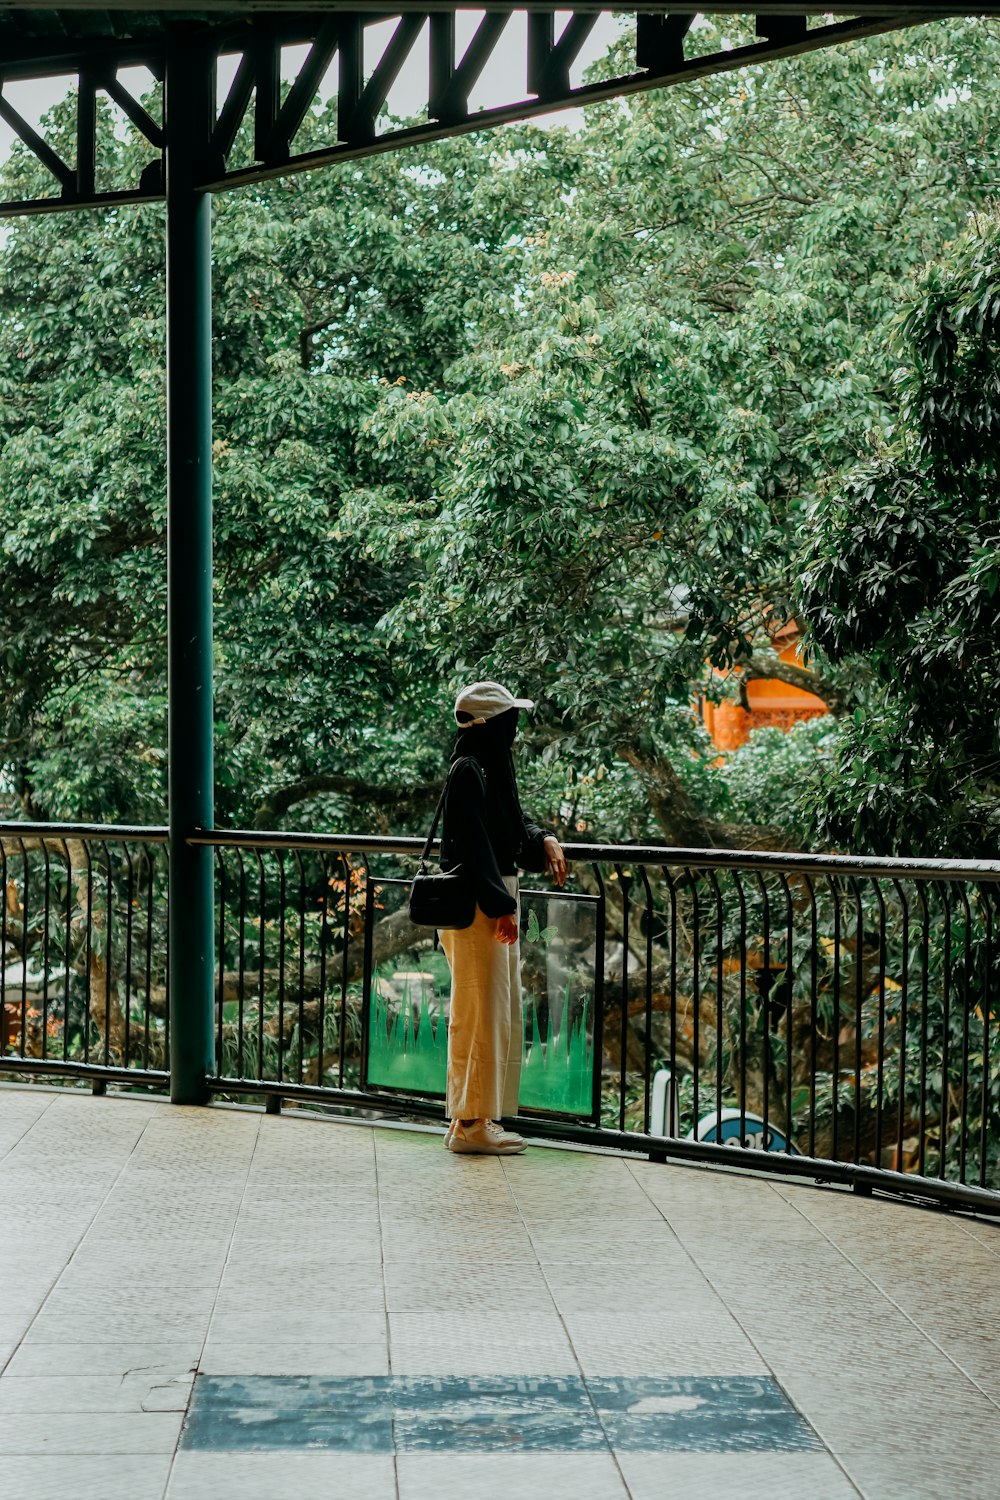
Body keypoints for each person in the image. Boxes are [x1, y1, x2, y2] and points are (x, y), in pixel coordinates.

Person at [438, 681, 567, 1155]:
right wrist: (502, 906)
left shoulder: (487, 765)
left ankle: (472, 1120)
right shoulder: (469, 770)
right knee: (479, 1014)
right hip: (478, 907)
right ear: (492, 725)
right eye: (510, 717)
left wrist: (544, 838)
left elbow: (508, 828)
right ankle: (470, 1125)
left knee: (488, 1012)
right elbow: (473, 848)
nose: (516, 725)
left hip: (487, 902)